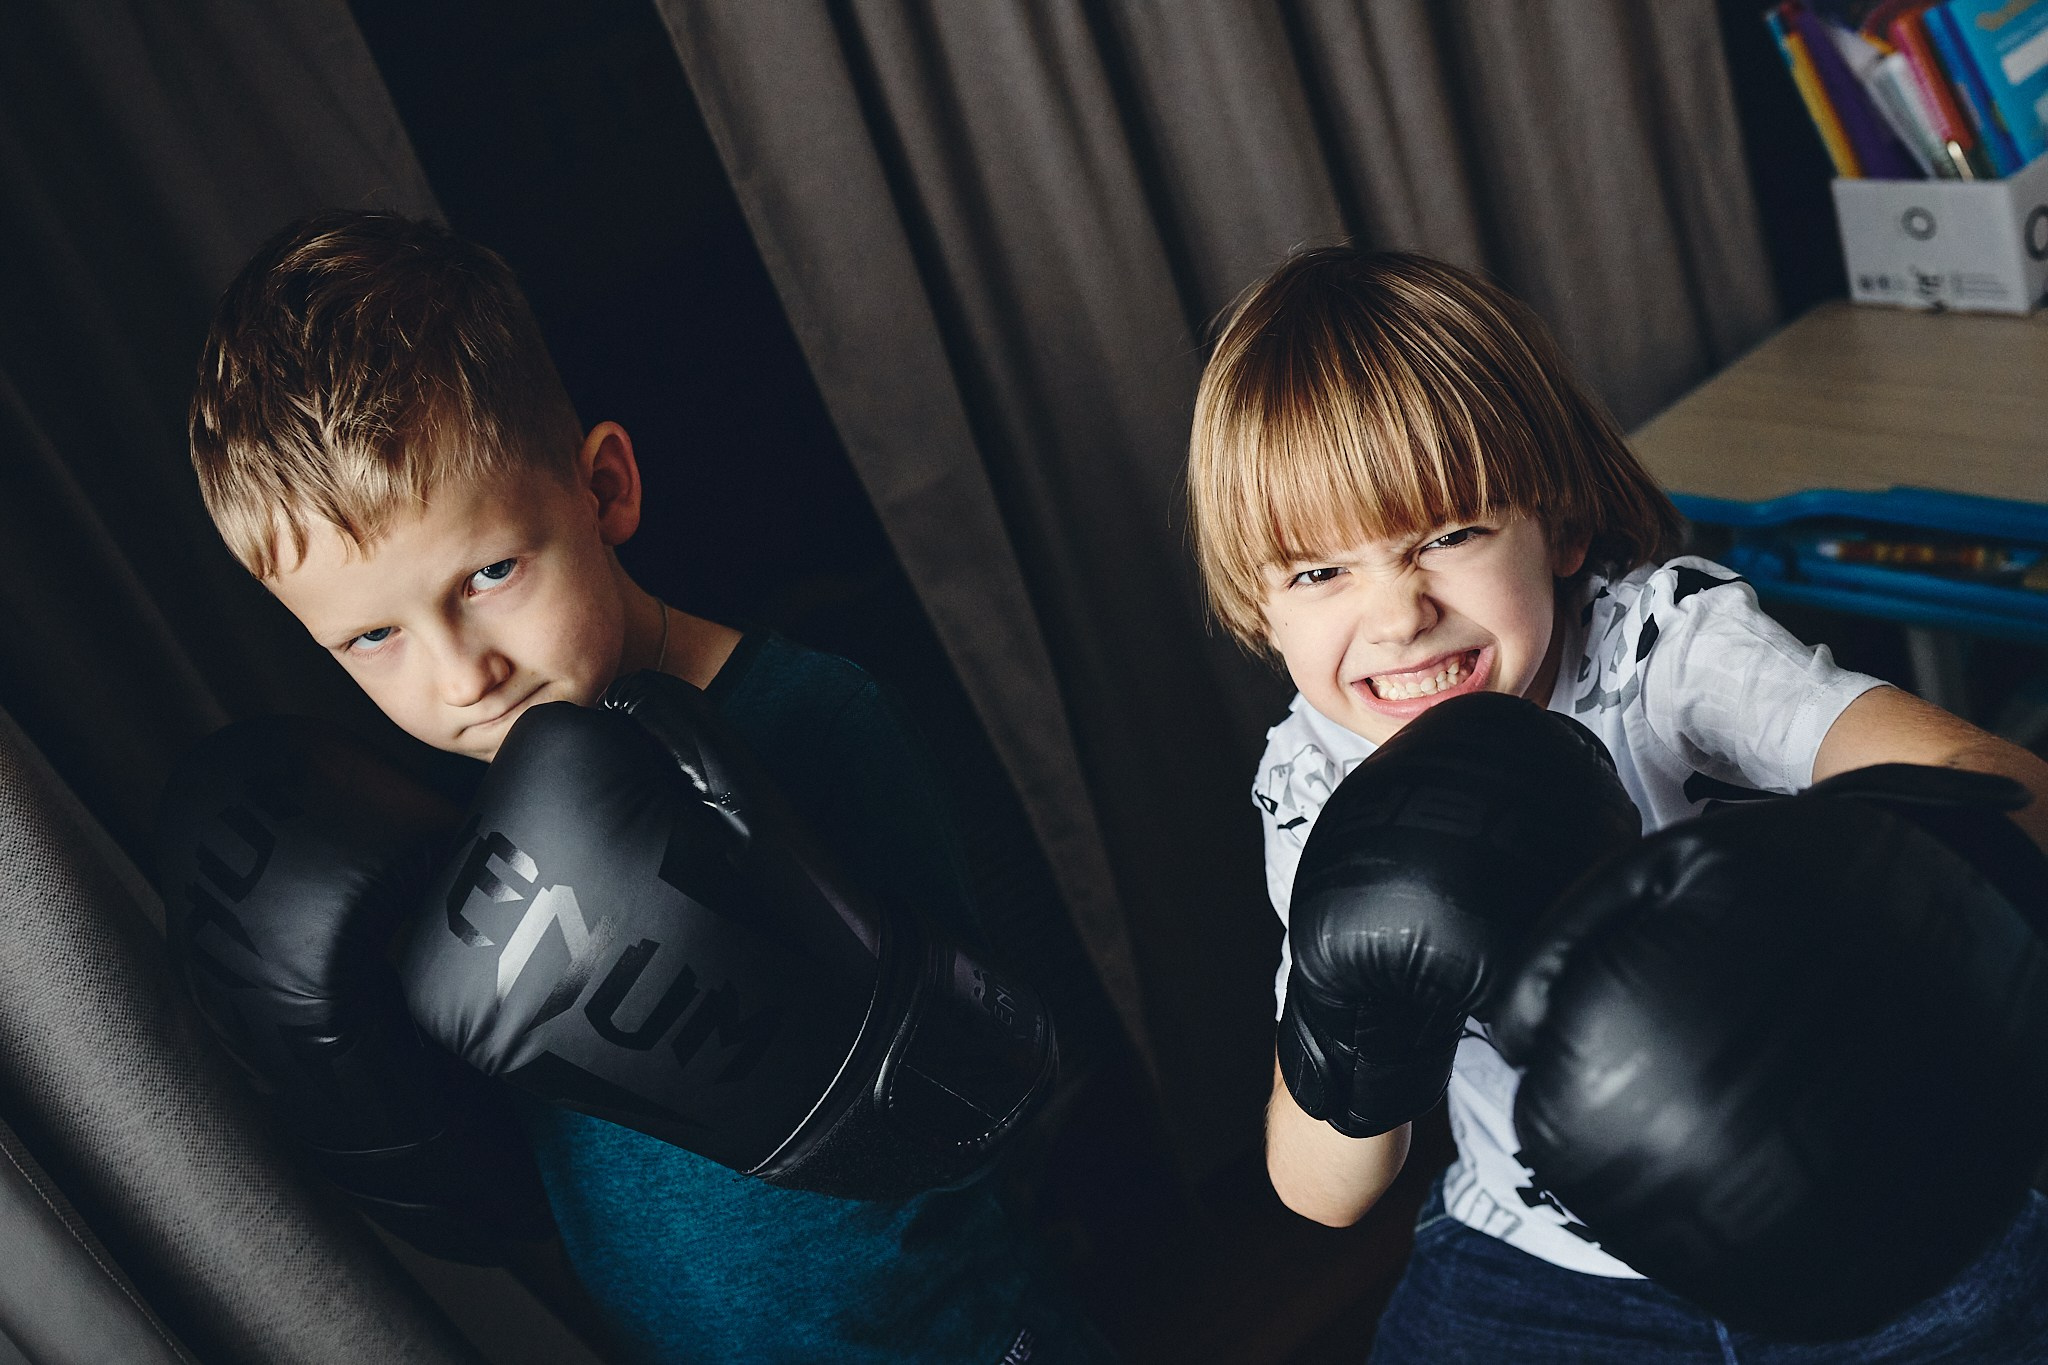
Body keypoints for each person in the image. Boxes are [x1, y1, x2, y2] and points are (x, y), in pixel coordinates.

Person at [180, 209, 1109, 1364]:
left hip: (944, 1334)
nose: (463, 675)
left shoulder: (813, 716)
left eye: (491, 572)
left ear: (605, 489)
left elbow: (989, 1069)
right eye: (372, 637)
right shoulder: (442, 817)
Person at [1185, 244, 2048, 1361]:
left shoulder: (1659, 652)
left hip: (1853, 1193)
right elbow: (1323, 1195)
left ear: (1558, 528)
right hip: (1542, 1265)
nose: (1396, 615)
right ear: (1259, 611)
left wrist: (1868, 875)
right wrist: (1344, 1018)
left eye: (1446, 535)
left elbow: (2004, 794)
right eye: (1317, 572)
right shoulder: (1313, 780)